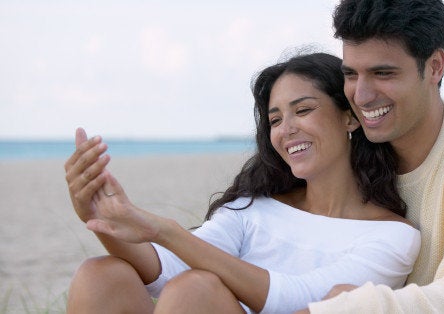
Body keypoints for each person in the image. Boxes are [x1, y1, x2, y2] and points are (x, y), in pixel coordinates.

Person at [63, 52, 421, 314]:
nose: (286, 129)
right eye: (275, 119)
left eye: (303, 110)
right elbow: (165, 273)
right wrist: (105, 221)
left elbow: (297, 297)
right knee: (101, 274)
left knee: (196, 290)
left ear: (349, 118)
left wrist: (166, 231)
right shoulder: (253, 209)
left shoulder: (392, 236)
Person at [302, 0, 444, 313]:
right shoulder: (353, 150)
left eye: (382, 73)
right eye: (351, 74)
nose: (361, 95)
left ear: (435, 66)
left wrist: (346, 307)